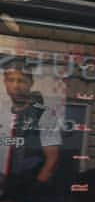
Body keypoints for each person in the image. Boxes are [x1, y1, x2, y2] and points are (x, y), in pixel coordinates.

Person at [0, 58, 61, 187]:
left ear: (30, 83)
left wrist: (37, 185)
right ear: (5, 83)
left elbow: (52, 157)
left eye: (21, 81)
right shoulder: (2, 111)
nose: (16, 86)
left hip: (27, 184)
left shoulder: (45, 114)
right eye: (11, 80)